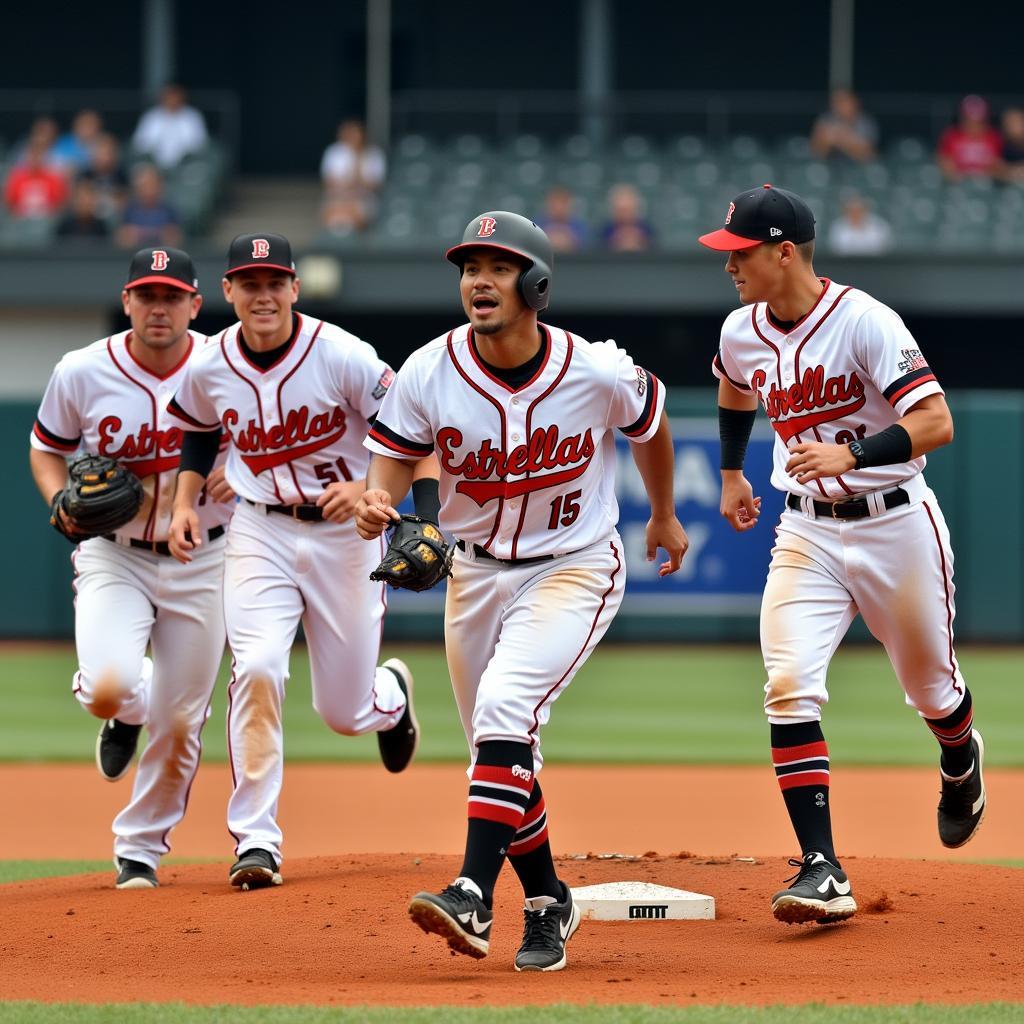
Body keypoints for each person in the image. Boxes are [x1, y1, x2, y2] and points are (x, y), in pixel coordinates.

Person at [356, 211, 688, 971]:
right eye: (469, 267)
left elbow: (654, 421)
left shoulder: (595, 368)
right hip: (473, 573)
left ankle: (472, 890)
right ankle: (548, 902)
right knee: (498, 751)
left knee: (506, 712)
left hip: (572, 564)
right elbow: (394, 468)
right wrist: (387, 508)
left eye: (498, 267)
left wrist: (663, 514)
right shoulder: (427, 371)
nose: (479, 280)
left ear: (535, 283)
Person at [698, 184, 986, 926]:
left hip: (897, 523)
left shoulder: (864, 320)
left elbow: (937, 421)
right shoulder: (740, 330)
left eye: (741, 253)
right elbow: (734, 391)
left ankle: (960, 757)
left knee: (933, 692)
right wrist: (732, 474)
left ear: (783, 252)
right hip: (806, 531)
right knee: (788, 683)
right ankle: (822, 867)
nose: (730, 265)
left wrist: (852, 451)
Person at [166, 232, 424, 891]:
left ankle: (390, 699)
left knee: (344, 713)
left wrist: (372, 487)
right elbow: (199, 429)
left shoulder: (340, 354)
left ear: (294, 288)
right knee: (254, 665)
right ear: (227, 292)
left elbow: (410, 431)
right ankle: (256, 840)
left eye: (274, 282)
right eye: (249, 283)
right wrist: (187, 504)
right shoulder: (210, 363)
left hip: (345, 534)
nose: (262, 294)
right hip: (260, 530)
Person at [28, 247, 235, 889]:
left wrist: (240, 471)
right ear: (127, 303)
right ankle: (124, 711)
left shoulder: (225, 365)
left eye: (172, 297)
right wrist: (61, 501)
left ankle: (139, 848)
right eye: (147, 295)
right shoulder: (82, 371)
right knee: (110, 687)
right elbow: (46, 450)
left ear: (195, 305)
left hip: (206, 555)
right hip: (113, 552)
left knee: (181, 720)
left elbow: (263, 442)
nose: (159, 307)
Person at [320, 119, 387, 233]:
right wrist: (349, 188)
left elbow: (375, 184)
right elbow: (329, 182)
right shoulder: (334, 152)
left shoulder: (374, 153)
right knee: (332, 213)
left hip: (364, 198)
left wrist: (358, 158)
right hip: (338, 197)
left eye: (356, 133)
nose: (353, 137)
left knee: (358, 214)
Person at [132, 83, 209, 169]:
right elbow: (140, 142)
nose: (172, 100)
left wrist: (182, 154)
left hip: (186, 163)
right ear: (162, 98)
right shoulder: (151, 116)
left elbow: (199, 143)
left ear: (182, 98)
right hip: (154, 163)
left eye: (175, 97)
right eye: (169, 97)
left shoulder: (193, 116)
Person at [937, 95, 1003, 181]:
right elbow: (944, 162)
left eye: (978, 121)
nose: (973, 125)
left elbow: (999, 165)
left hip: (987, 184)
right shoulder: (951, 136)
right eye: (969, 120)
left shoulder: (994, 137)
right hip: (958, 183)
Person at [116, 164, 181, 249]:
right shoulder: (129, 209)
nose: (149, 190)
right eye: (145, 185)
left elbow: (176, 238)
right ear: (137, 188)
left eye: (152, 185)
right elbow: (121, 238)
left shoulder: (169, 209)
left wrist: (141, 234)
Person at [4, 136, 68, 219]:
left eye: (38, 155)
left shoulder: (53, 179)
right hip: (20, 222)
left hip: (46, 222)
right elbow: (9, 203)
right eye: (32, 155)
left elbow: (59, 204)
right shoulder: (17, 178)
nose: (35, 159)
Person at [810, 89, 878, 163]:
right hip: (831, 167)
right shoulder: (826, 120)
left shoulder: (866, 122)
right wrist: (826, 141)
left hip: (858, 168)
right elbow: (816, 154)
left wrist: (842, 139)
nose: (840, 106)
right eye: (837, 103)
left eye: (844, 101)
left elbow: (869, 156)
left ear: (854, 103)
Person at [78, 133, 129, 223]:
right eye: (101, 152)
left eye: (109, 152)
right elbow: (82, 203)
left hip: (115, 220)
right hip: (91, 220)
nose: (105, 157)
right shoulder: (85, 175)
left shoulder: (122, 176)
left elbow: (124, 203)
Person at [828, 193, 892, 256]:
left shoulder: (879, 226)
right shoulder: (837, 227)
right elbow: (835, 250)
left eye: (859, 209)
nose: (856, 213)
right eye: (852, 210)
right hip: (845, 264)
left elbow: (885, 249)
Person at [600, 183, 655, 252]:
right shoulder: (605, 231)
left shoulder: (647, 230)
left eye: (628, 210)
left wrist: (641, 242)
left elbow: (655, 250)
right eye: (621, 210)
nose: (625, 215)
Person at [536, 185, 588, 252]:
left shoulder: (580, 226)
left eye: (563, 202)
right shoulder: (536, 225)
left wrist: (571, 240)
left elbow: (587, 246)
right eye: (555, 203)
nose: (559, 208)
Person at [997, 107, 1024, 184]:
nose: (1011, 127)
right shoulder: (1003, 145)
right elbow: (996, 169)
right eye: (1008, 124)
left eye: (1016, 122)